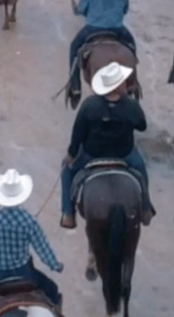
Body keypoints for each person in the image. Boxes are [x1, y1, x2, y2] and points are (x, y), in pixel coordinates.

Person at [60, 62, 152, 228]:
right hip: (124, 154)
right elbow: (143, 126)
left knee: (66, 170)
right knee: (141, 168)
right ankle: (146, 209)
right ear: (118, 87)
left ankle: (68, 213)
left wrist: (71, 155)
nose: (126, 84)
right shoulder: (131, 105)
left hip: (92, 154)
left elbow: (78, 135)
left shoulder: (89, 105)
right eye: (123, 82)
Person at [0, 169, 63, 317]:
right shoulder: (28, 220)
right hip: (26, 273)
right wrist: (55, 265)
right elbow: (43, 249)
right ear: (21, 195)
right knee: (53, 291)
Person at [65, 0, 132, 95]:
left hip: (93, 29)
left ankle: (75, 87)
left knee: (74, 47)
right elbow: (125, 10)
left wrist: (79, 9)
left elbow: (81, 10)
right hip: (117, 29)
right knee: (132, 46)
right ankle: (133, 85)